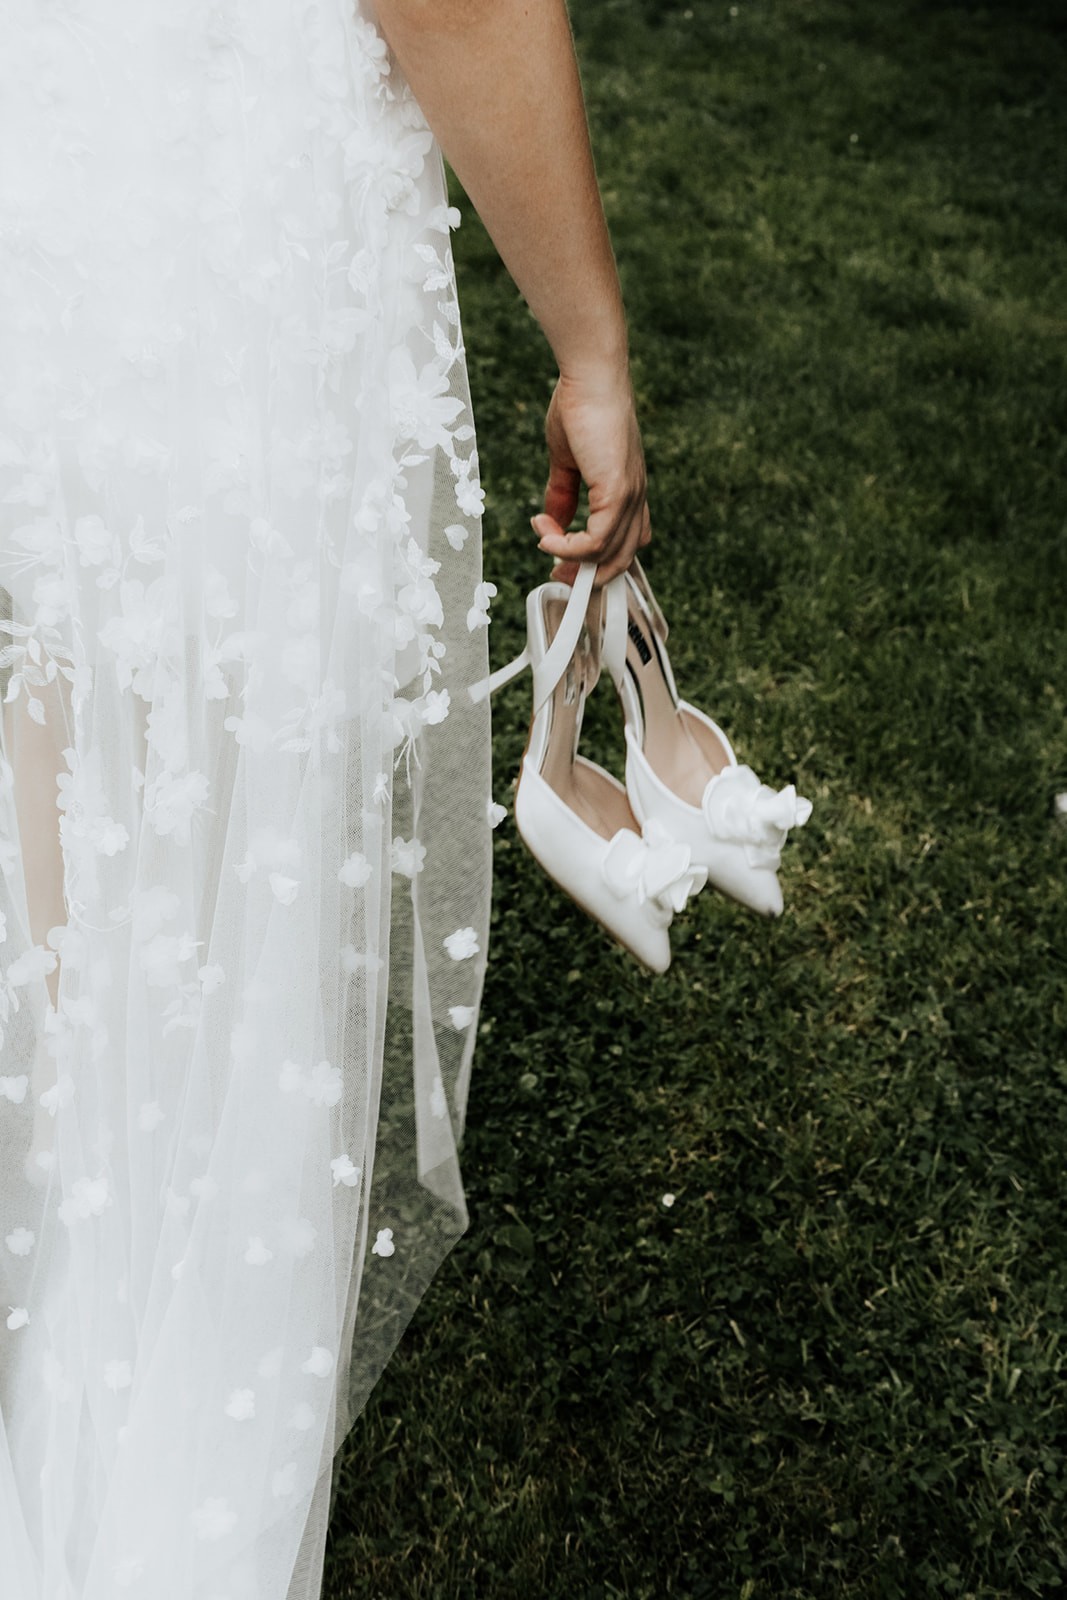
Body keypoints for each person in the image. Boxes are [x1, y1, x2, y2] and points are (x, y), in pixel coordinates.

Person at [0, 2, 647, 1596]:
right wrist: (592, 348)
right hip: (203, 244)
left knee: (61, 880)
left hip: (52, 180)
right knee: (188, 934)